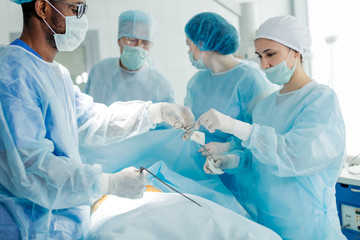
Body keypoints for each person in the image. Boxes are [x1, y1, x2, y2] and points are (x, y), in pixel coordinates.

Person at [0, 0, 195, 239]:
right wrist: (106, 184)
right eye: (75, 9)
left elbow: (95, 119)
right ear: (43, 8)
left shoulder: (56, 74)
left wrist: (155, 112)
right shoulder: (12, 72)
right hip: (28, 227)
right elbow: (29, 168)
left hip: (61, 226)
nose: (81, 18)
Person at [196, 15, 346, 240]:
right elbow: (257, 157)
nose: (264, 65)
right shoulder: (266, 105)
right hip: (268, 221)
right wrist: (231, 160)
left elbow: (295, 155)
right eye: (259, 56)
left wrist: (233, 125)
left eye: (271, 54)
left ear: (295, 51)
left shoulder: (320, 99)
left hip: (309, 225)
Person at [184, 12, 274, 216]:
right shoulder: (196, 81)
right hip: (205, 179)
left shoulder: (249, 78)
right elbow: (189, 126)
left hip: (243, 183)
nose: (189, 51)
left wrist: (226, 147)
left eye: (189, 44)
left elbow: (264, 135)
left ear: (201, 42)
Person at [83, 10, 175, 106]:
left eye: (145, 43)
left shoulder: (161, 85)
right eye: (132, 40)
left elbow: (169, 120)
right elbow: (84, 110)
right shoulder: (100, 71)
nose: (138, 47)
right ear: (119, 40)